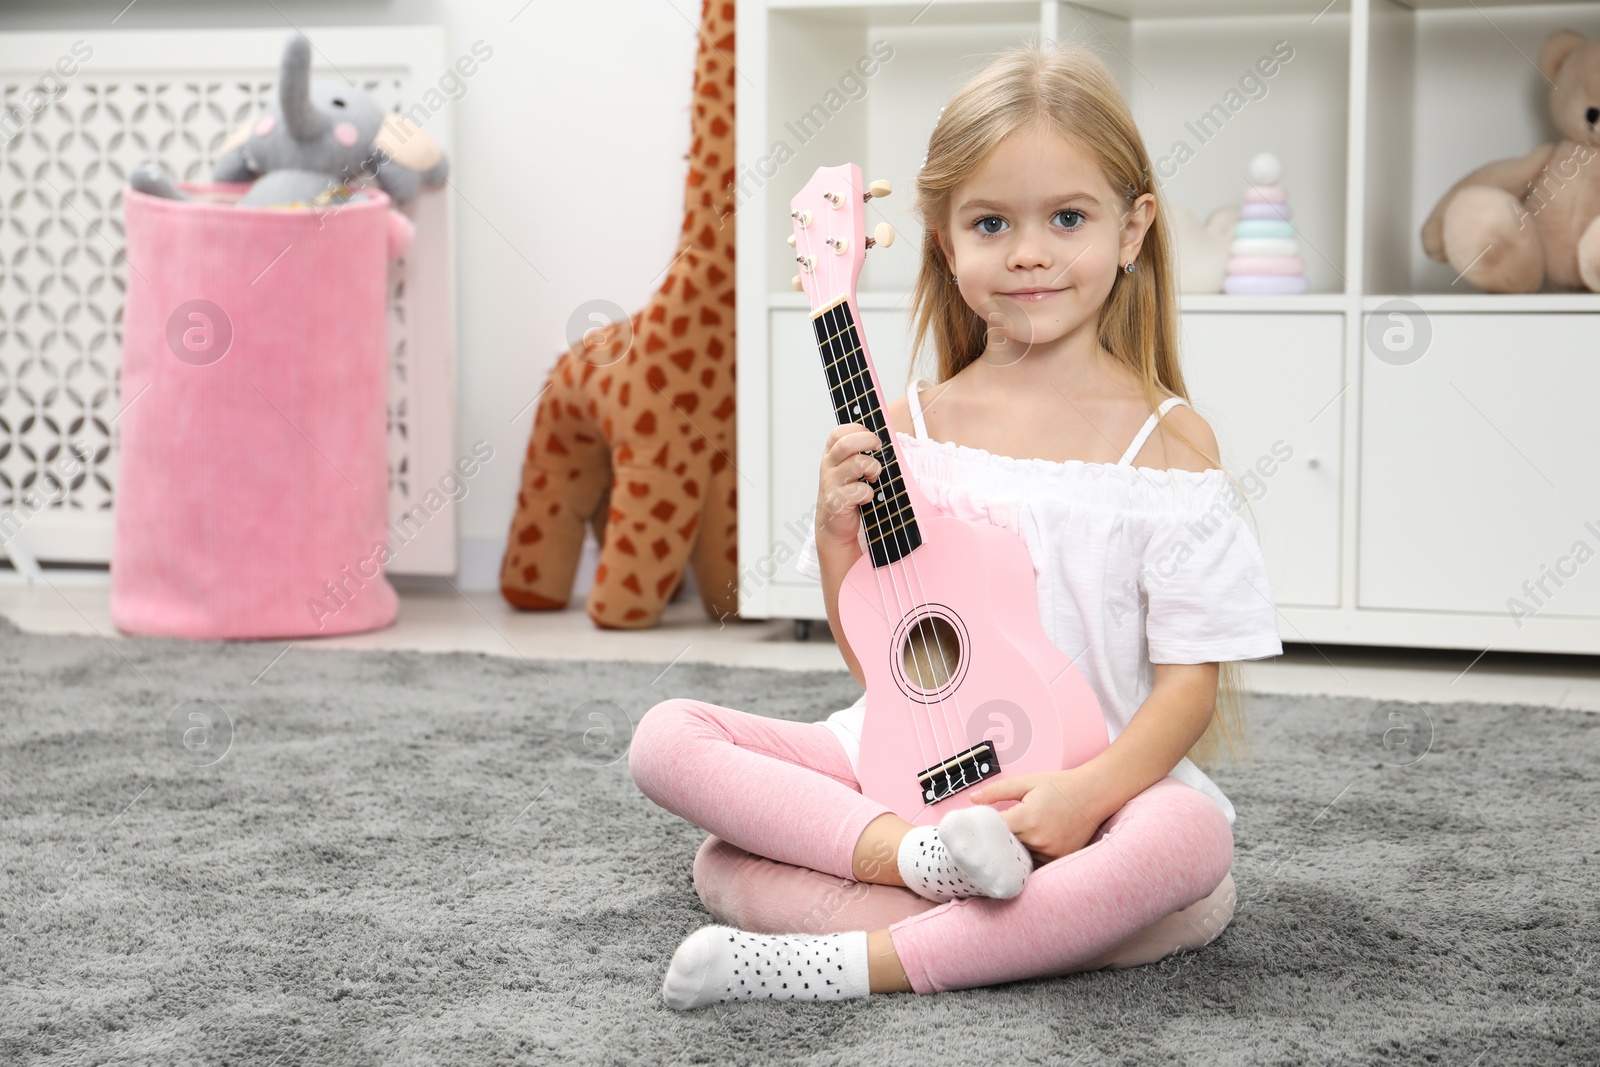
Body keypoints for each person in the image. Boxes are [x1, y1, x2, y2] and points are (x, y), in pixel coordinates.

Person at [628, 39, 1283, 1009]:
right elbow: (891, 672)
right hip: (916, 779)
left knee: (1188, 843)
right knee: (667, 740)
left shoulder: (1169, 445)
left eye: (1067, 217)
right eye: (990, 221)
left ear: (1133, 227)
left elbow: (1189, 686)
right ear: (940, 236)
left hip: (1093, 782)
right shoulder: (911, 428)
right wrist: (832, 536)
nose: (1027, 251)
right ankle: (936, 873)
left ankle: (854, 958)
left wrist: (1087, 794)